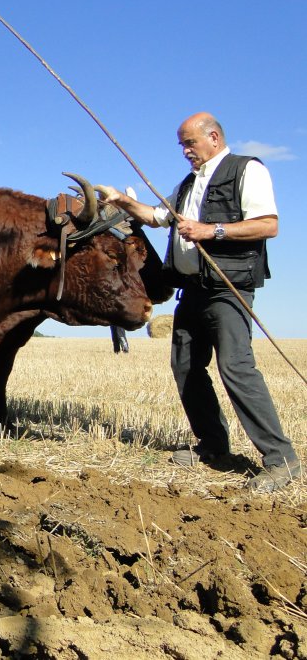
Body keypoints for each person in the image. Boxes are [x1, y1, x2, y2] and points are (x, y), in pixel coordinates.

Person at [99, 112, 300, 493]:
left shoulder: (247, 170)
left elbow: (268, 224)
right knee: (186, 367)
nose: (185, 151)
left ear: (213, 137)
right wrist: (122, 201)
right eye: (182, 145)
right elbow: (158, 217)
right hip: (191, 289)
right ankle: (214, 446)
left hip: (229, 288)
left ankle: (281, 459)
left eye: (189, 143)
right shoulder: (189, 183)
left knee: (236, 368)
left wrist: (212, 230)